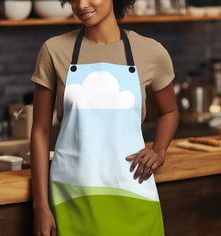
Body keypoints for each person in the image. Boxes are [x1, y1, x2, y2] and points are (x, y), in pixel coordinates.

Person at [30, 0, 179, 235]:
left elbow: (169, 112)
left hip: (133, 197)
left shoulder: (150, 52)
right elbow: (40, 131)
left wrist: (159, 150)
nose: (81, 5)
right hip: (72, 199)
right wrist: (40, 206)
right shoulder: (54, 50)